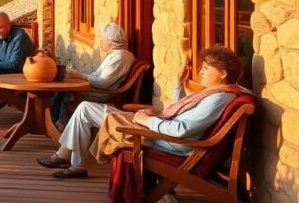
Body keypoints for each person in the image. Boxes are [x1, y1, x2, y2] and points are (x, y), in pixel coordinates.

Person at [36, 46, 245, 180]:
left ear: (223, 74)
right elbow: (184, 116)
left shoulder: (218, 98)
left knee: (88, 111)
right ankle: (70, 159)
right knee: (85, 109)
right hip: (160, 130)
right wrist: (177, 86)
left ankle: (74, 162)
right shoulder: (219, 93)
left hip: (165, 140)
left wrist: (147, 121)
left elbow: (182, 130)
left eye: (207, 68)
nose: (200, 72)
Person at [50, 22, 136, 124]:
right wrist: (78, 74)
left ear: (110, 42)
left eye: (102, 39)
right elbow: (97, 75)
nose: (100, 42)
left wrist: (80, 76)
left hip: (102, 94)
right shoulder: (116, 55)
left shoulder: (119, 57)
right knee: (63, 91)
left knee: (65, 94)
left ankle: (58, 125)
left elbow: (103, 83)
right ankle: (56, 123)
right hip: (98, 90)